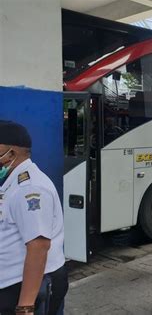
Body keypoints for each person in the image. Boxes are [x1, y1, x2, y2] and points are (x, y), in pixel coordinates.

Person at [0, 121, 68, 315]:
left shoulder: (30, 188)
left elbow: (38, 246)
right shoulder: (11, 182)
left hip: (33, 287)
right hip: (13, 283)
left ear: (11, 154)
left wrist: (25, 307)